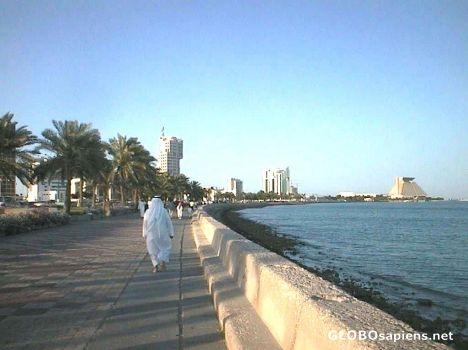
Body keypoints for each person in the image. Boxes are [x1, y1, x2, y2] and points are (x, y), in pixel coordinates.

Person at [142, 197, 174, 273]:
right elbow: (169, 223)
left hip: (151, 235)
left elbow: (145, 224)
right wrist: (171, 233)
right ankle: (162, 262)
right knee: (164, 248)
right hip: (163, 234)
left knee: (152, 251)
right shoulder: (164, 211)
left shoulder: (148, 212)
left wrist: (144, 234)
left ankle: (155, 266)